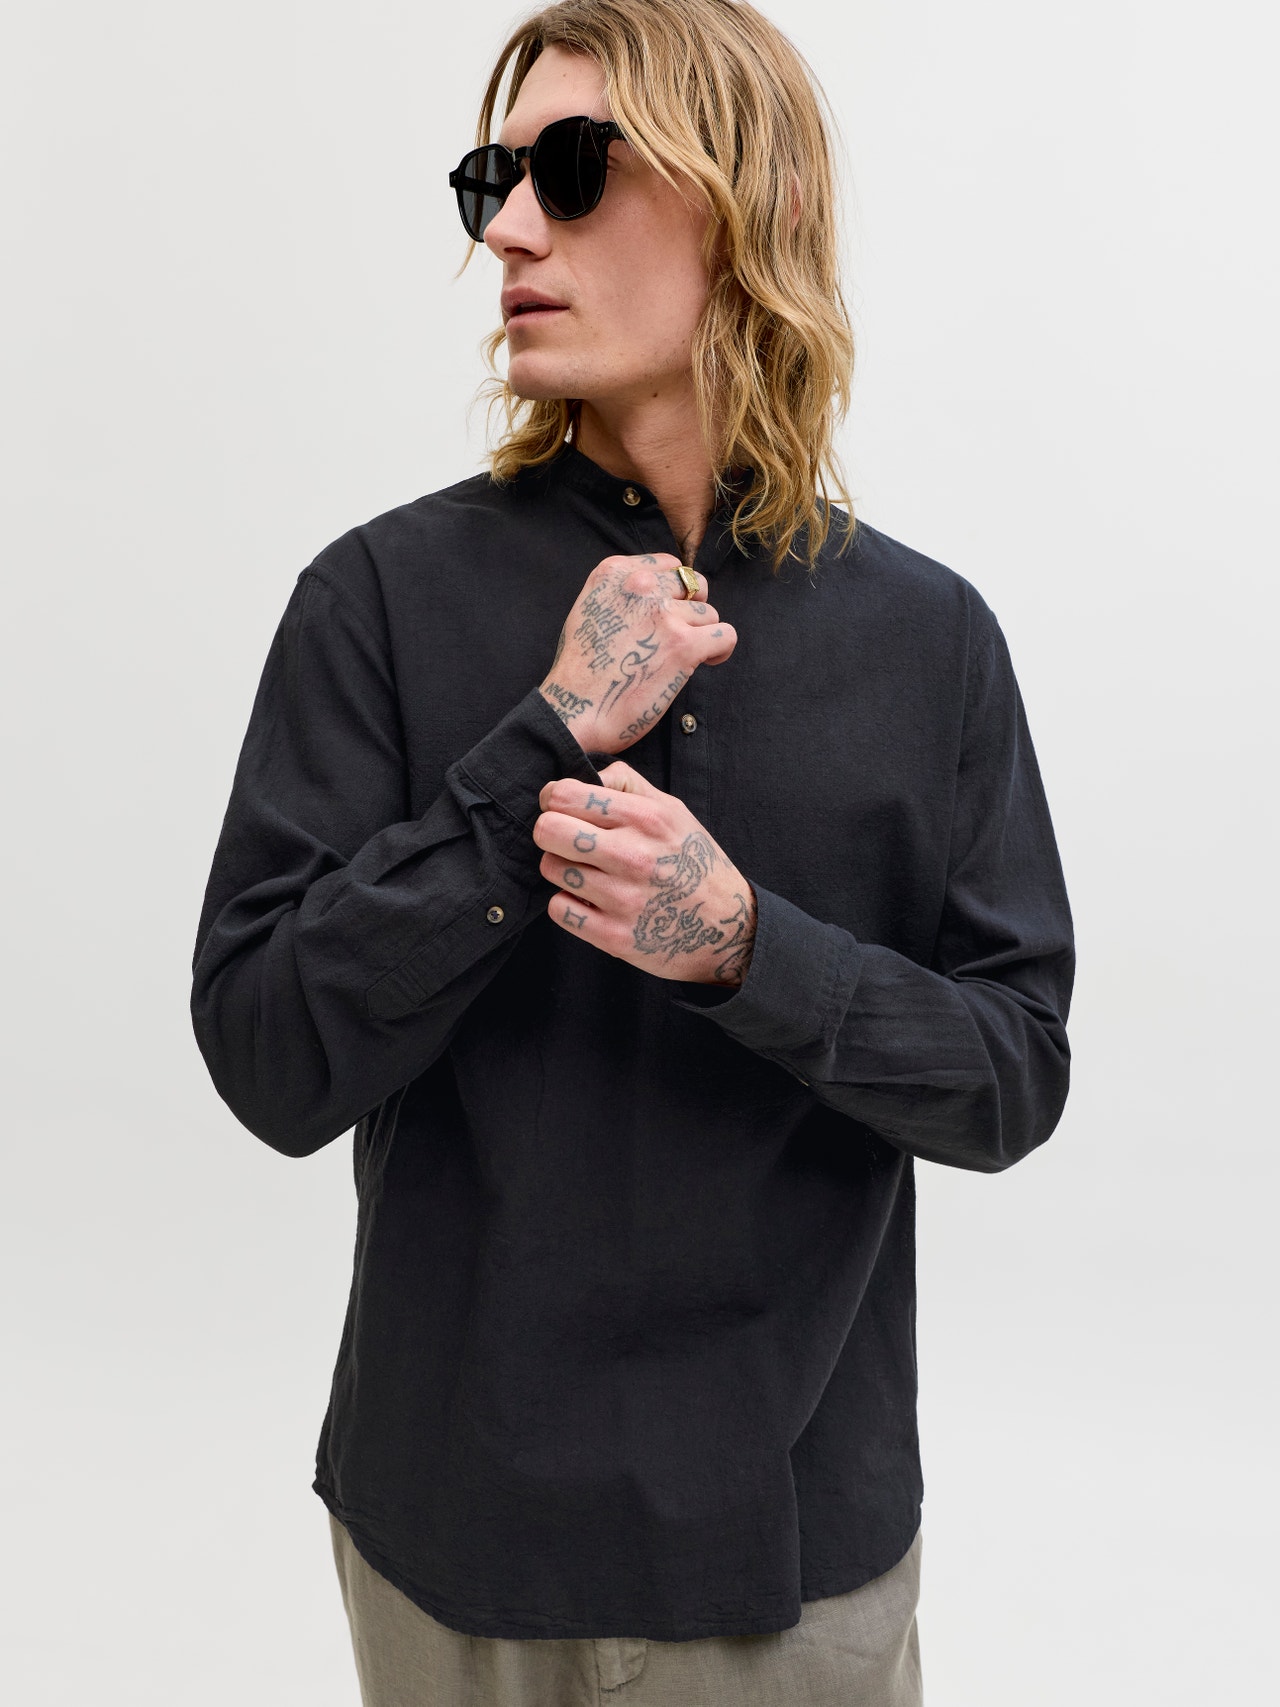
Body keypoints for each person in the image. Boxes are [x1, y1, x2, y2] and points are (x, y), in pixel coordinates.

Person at [189, 1, 1075, 1701]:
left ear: (753, 204)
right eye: (493, 182)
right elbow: (269, 1060)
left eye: (576, 171)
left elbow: (1011, 1079)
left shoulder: (931, 639)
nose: (511, 230)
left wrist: (748, 948)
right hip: (452, 1545)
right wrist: (546, 739)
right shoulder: (377, 600)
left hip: (795, 1560)